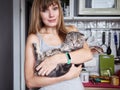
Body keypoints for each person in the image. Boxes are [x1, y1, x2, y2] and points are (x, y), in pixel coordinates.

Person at [24, 0, 93, 90]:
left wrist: (56, 59)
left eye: (55, 8)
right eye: (45, 10)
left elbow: (88, 54)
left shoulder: (71, 30)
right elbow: (30, 82)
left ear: (59, 10)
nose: (51, 15)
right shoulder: (34, 38)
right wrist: (66, 77)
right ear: (38, 13)